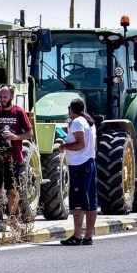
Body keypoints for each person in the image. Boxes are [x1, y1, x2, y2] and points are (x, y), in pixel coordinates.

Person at [0, 85, 34, 232]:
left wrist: (16, 137)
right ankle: (0, 220)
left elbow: (30, 133)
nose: (2, 99)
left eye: (5, 97)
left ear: (11, 96)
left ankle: (12, 218)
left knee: (12, 189)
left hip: (13, 156)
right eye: (1, 96)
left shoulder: (18, 112)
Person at [58, 98, 98, 246]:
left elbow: (80, 144)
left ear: (71, 109)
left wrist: (64, 146)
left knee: (78, 203)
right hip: (90, 162)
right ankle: (88, 236)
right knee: (91, 202)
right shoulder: (89, 122)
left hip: (79, 165)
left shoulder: (76, 122)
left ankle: (77, 235)